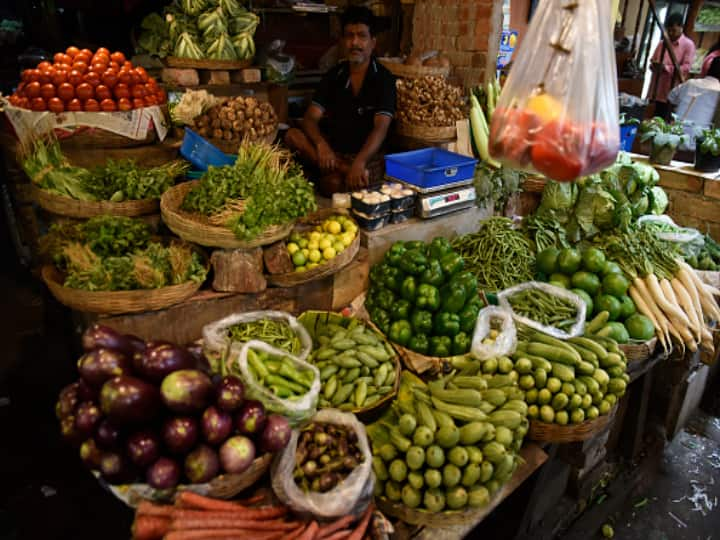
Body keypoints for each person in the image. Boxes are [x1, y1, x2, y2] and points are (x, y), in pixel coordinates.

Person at [284, 6, 396, 196]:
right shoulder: (334, 75)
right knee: (292, 135)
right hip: (333, 155)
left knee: (334, 185)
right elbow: (310, 118)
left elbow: (381, 128)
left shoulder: (384, 79)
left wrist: (359, 162)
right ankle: (343, 170)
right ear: (343, 41)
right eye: (349, 36)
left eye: (362, 36)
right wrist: (321, 145)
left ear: (372, 42)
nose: (355, 43)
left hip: (367, 158)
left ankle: (346, 173)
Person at [648, 12, 696, 121]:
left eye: (673, 30)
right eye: (668, 30)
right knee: (652, 120)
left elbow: (686, 68)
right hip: (656, 89)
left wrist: (666, 68)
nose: (670, 33)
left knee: (665, 121)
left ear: (681, 27)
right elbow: (653, 60)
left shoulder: (688, 45)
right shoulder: (662, 43)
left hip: (671, 91)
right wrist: (654, 66)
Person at [668, 56, 720, 150]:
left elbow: (670, 97)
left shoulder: (690, 83)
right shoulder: (718, 91)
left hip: (674, 139)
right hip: (701, 147)